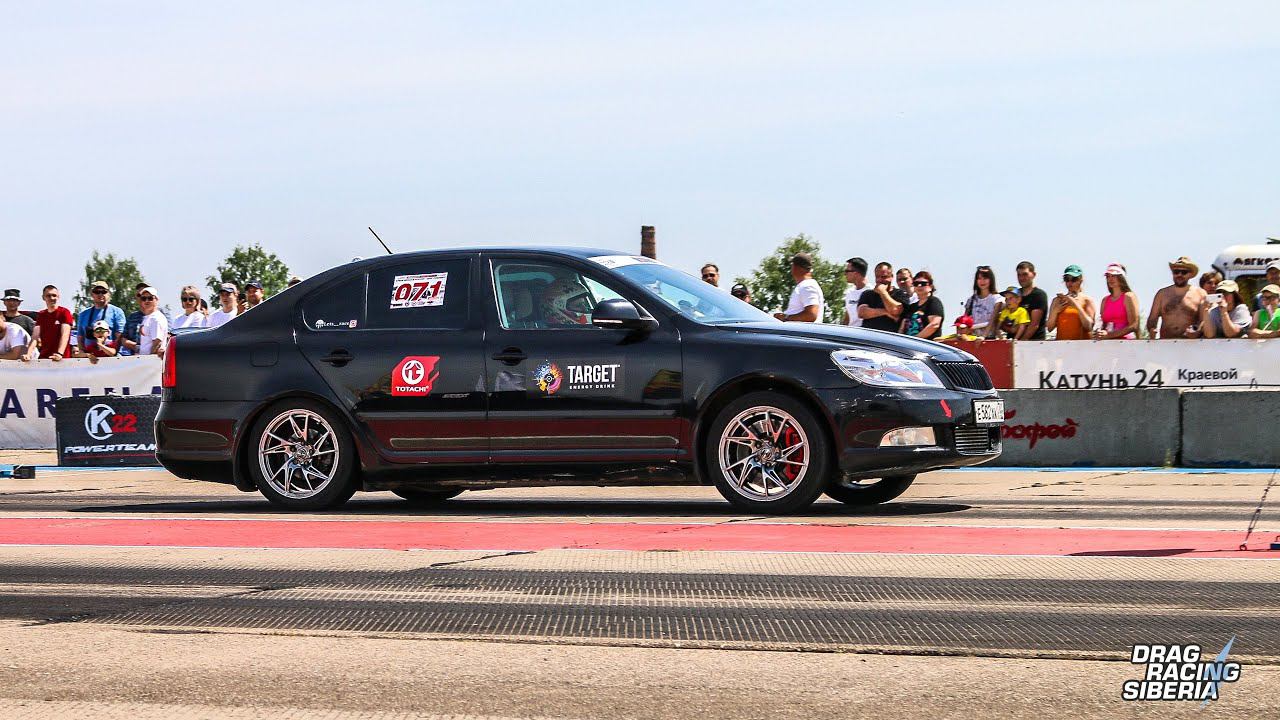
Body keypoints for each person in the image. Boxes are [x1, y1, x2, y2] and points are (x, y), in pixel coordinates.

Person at [1146, 256, 1205, 339]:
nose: (1179, 275)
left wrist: (1197, 331)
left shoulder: (1200, 294)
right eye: (1176, 272)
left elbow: (1204, 320)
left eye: (1184, 272)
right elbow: (1152, 318)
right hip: (1165, 342)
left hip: (1191, 343)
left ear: (1190, 274)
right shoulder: (1162, 294)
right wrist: (1152, 329)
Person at [1045, 264, 1097, 340]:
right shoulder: (1057, 300)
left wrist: (1075, 305)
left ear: (1080, 280)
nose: (1070, 282)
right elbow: (1049, 328)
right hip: (1061, 344)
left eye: (1074, 279)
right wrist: (1055, 311)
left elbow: (1089, 326)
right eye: (1067, 279)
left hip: (1081, 345)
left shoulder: (1087, 300)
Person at [77, 280, 127, 356]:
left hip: (111, 357)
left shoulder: (117, 312)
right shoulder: (83, 314)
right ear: (92, 294)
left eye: (103, 291)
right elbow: (80, 337)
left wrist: (113, 352)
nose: (100, 294)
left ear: (108, 294)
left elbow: (119, 336)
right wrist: (83, 353)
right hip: (90, 357)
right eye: (97, 292)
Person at [24, 285, 74, 361]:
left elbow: (65, 335)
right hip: (44, 358)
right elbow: (35, 337)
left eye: (54, 295)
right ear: (43, 297)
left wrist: (59, 353)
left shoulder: (64, 312)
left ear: (58, 296)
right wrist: (28, 354)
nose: (52, 298)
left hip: (61, 359)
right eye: (48, 296)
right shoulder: (41, 315)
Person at [858, 262, 908, 332]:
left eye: (884, 277)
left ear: (891, 277)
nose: (880, 280)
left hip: (889, 336)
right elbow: (862, 313)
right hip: (868, 335)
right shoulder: (867, 294)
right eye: (877, 277)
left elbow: (895, 310)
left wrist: (883, 292)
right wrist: (885, 312)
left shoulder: (900, 293)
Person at [773, 253, 824, 323]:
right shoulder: (805, 285)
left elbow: (811, 315)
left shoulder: (807, 285)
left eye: (793, 265)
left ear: (796, 267)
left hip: (803, 330)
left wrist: (785, 318)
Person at [1094, 263, 1140, 339]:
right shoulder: (1105, 300)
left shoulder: (1129, 297)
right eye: (1108, 276)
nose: (1110, 279)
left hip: (1125, 342)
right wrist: (1099, 332)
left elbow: (1134, 325)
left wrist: (1109, 335)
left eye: (1114, 276)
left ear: (1121, 277)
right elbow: (1102, 323)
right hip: (1107, 342)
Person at [900, 271, 944, 339]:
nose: (919, 286)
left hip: (926, 344)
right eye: (916, 283)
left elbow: (934, 324)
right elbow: (902, 327)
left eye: (923, 284)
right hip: (907, 343)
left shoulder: (934, 302)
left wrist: (916, 338)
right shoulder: (911, 307)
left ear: (930, 287)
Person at [1014, 261, 1048, 340]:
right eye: (1019, 275)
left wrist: (1020, 343)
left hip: (1033, 343)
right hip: (1013, 341)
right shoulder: (1015, 294)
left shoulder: (1039, 295)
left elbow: (1034, 325)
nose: (1021, 278)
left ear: (1034, 274)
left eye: (1025, 274)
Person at [963, 266, 1000, 337]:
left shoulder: (997, 299)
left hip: (990, 338)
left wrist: (983, 337)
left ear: (991, 280)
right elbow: (965, 320)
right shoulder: (971, 300)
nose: (982, 281)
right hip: (973, 338)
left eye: (985, 278)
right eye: (979, 278)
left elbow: (993, 321)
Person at [118, 281, 150, 355]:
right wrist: (137, 348)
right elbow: (123, 339)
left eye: (145, 295)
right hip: (132, 357)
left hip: (154, 357)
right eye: (139, 295)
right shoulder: (132, 317)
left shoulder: (160, 316)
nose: (142, 298)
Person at [135, 286, 169, 356]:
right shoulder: (147, 317)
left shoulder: (156, 318)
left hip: (152, 360)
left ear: (156, 299)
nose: (146, 301)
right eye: (143, 298)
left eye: (150, 298)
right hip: (144, 358)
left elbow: (157, 342)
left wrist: (150, 359)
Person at [841, 257, 869, 327]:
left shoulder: (871, 291)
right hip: (851, 331)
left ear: (856, 273)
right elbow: (847, 318)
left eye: (847, 271)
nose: (845, 274)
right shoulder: (849, 292)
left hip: (865, 331)